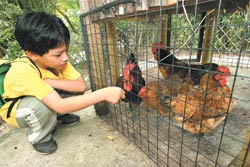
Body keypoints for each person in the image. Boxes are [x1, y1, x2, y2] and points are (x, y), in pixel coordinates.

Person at [0, 11, 125, 155]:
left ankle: (56, 117)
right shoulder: (23, 71)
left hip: (46, 96)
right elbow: (59, 105)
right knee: (38, 106)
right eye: (58, 54)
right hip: (19, 109)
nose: (65, 57)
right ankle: (39, 137)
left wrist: (49, 81)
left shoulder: (59, 61)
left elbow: (80, 86)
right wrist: (103, 94)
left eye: (66, 50)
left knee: (66, 90)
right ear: (32, 54)